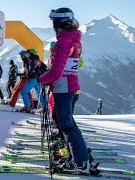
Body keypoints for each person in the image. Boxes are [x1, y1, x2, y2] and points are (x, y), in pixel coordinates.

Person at [38, 8, 90, 173]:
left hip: (64, 87)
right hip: (70, 86)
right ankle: (75, 158)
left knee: (66, 124)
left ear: (57, 23)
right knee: (65, 123)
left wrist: (41, 78)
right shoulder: (73, 40)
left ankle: (81, 162)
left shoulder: (64, 42)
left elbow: (56, 72)